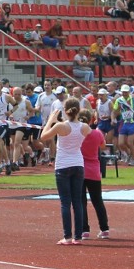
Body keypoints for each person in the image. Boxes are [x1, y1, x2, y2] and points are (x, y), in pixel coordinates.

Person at [40, 97, 91, 245]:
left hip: (63, 165)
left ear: (65, 110)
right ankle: (78, 236)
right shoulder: (85, 127)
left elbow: (44, 136)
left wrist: (51, 119)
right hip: (78, 164)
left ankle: (67, 236)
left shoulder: (61, 126)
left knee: (65, 203)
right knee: (78, 202)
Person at [78, 109, 110, 240]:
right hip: (94, 170)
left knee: (81, 202)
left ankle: (84, 230)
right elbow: (103, 147)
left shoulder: (78, 134)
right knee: (98, 201)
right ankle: (105, 228)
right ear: (91, 119)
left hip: (80, 169)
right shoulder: (97, 133)